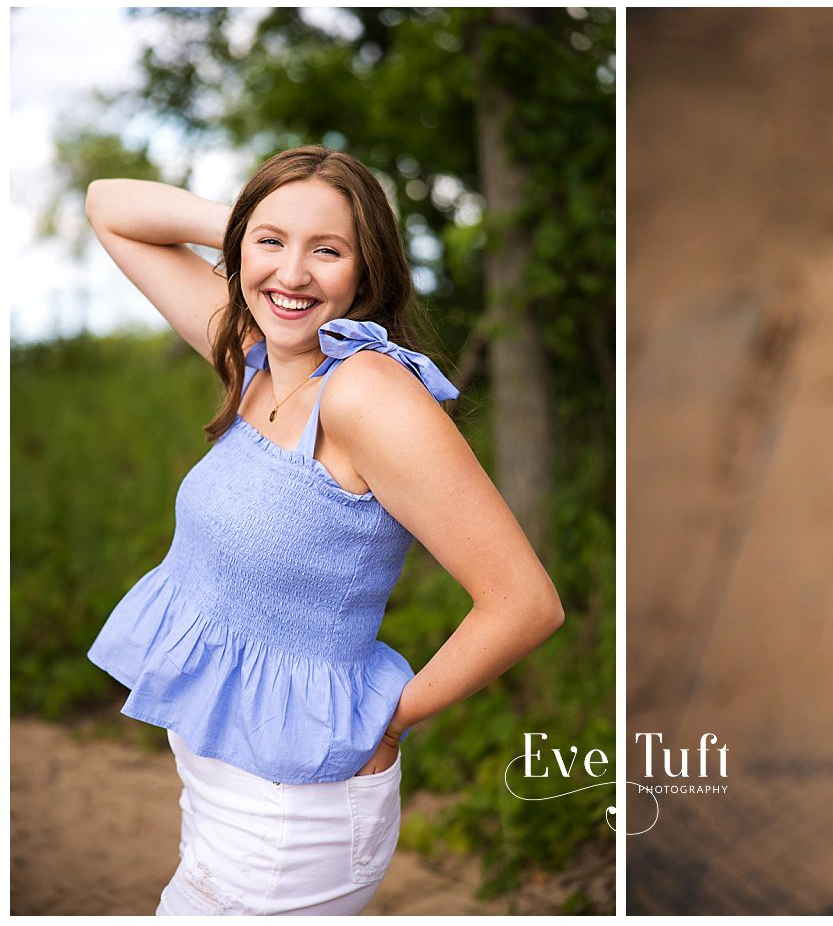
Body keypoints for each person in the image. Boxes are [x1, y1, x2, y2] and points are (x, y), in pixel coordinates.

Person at [83, 146, 564, 915]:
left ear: (365, 272)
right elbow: (109, 205)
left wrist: (391, 722)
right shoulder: (260, 355)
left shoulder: (366, 395)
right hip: (223, 792)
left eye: (328, 250)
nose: (293, 274)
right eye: (272, 243)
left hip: (287, 819)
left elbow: (525, 601)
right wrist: (253, 229)